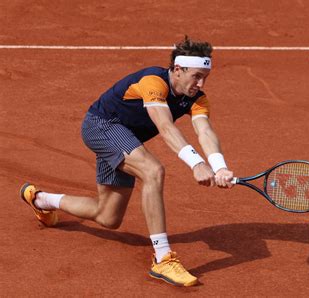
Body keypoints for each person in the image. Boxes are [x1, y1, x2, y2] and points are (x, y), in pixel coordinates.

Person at [19, 36, 234, 287]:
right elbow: (164, 126)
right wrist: (197, 163)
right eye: (196, 76)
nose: (201, 83)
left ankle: (40, 199)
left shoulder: (197, 99)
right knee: (153, 171)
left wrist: (219, 167)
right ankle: (163, 259)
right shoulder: (153, 82)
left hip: (125, 138)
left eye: (205, 77)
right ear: (178, 69)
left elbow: (205, 131)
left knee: (108, 216)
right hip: (102, 126)